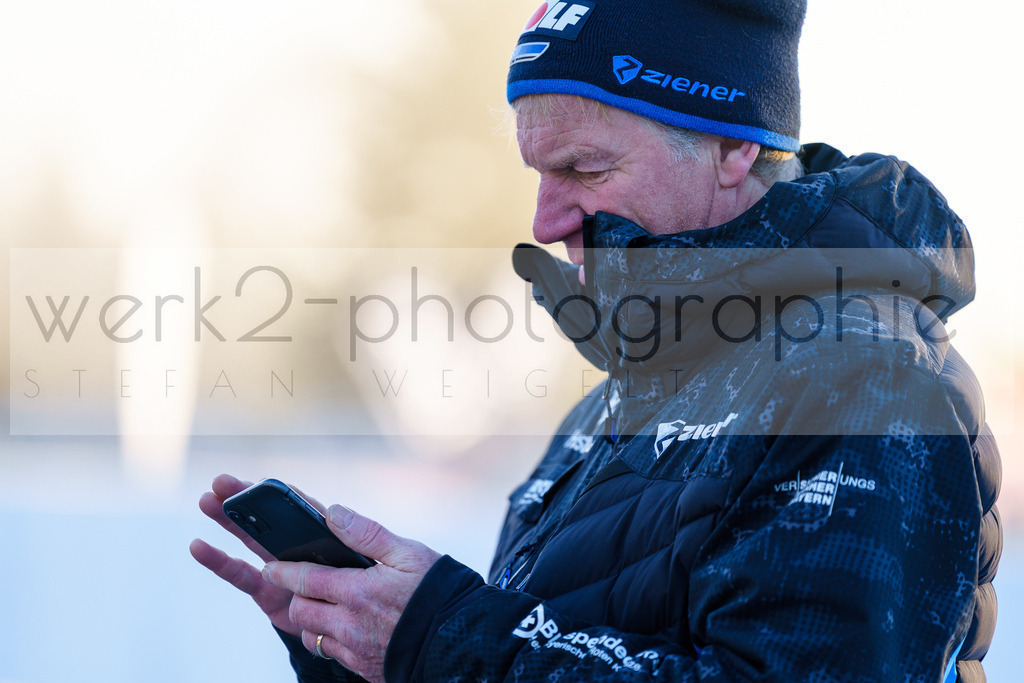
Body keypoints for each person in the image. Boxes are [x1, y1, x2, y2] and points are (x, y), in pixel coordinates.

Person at [191, 1, 1001, 681]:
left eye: (584, 168)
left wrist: (444, 639)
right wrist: (368, 648)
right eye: (538, 174)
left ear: (733, 144)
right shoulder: (613, 403)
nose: (546, 221)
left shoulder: (868, 384)